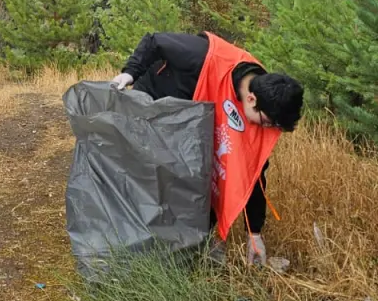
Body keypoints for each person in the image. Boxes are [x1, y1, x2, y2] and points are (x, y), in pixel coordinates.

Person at [110, 31, 303, 265]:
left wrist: (254, 234)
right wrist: (130, 73)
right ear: (251, 99)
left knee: (197, 175)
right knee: (149, 173)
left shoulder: (265, 102)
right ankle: (128, 239)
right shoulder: (204, 56)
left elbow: (253, 174)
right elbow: (155, 41)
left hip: (191, 119)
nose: (268, 129)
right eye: (267, 122)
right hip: (157, 98)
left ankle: (191, 246)